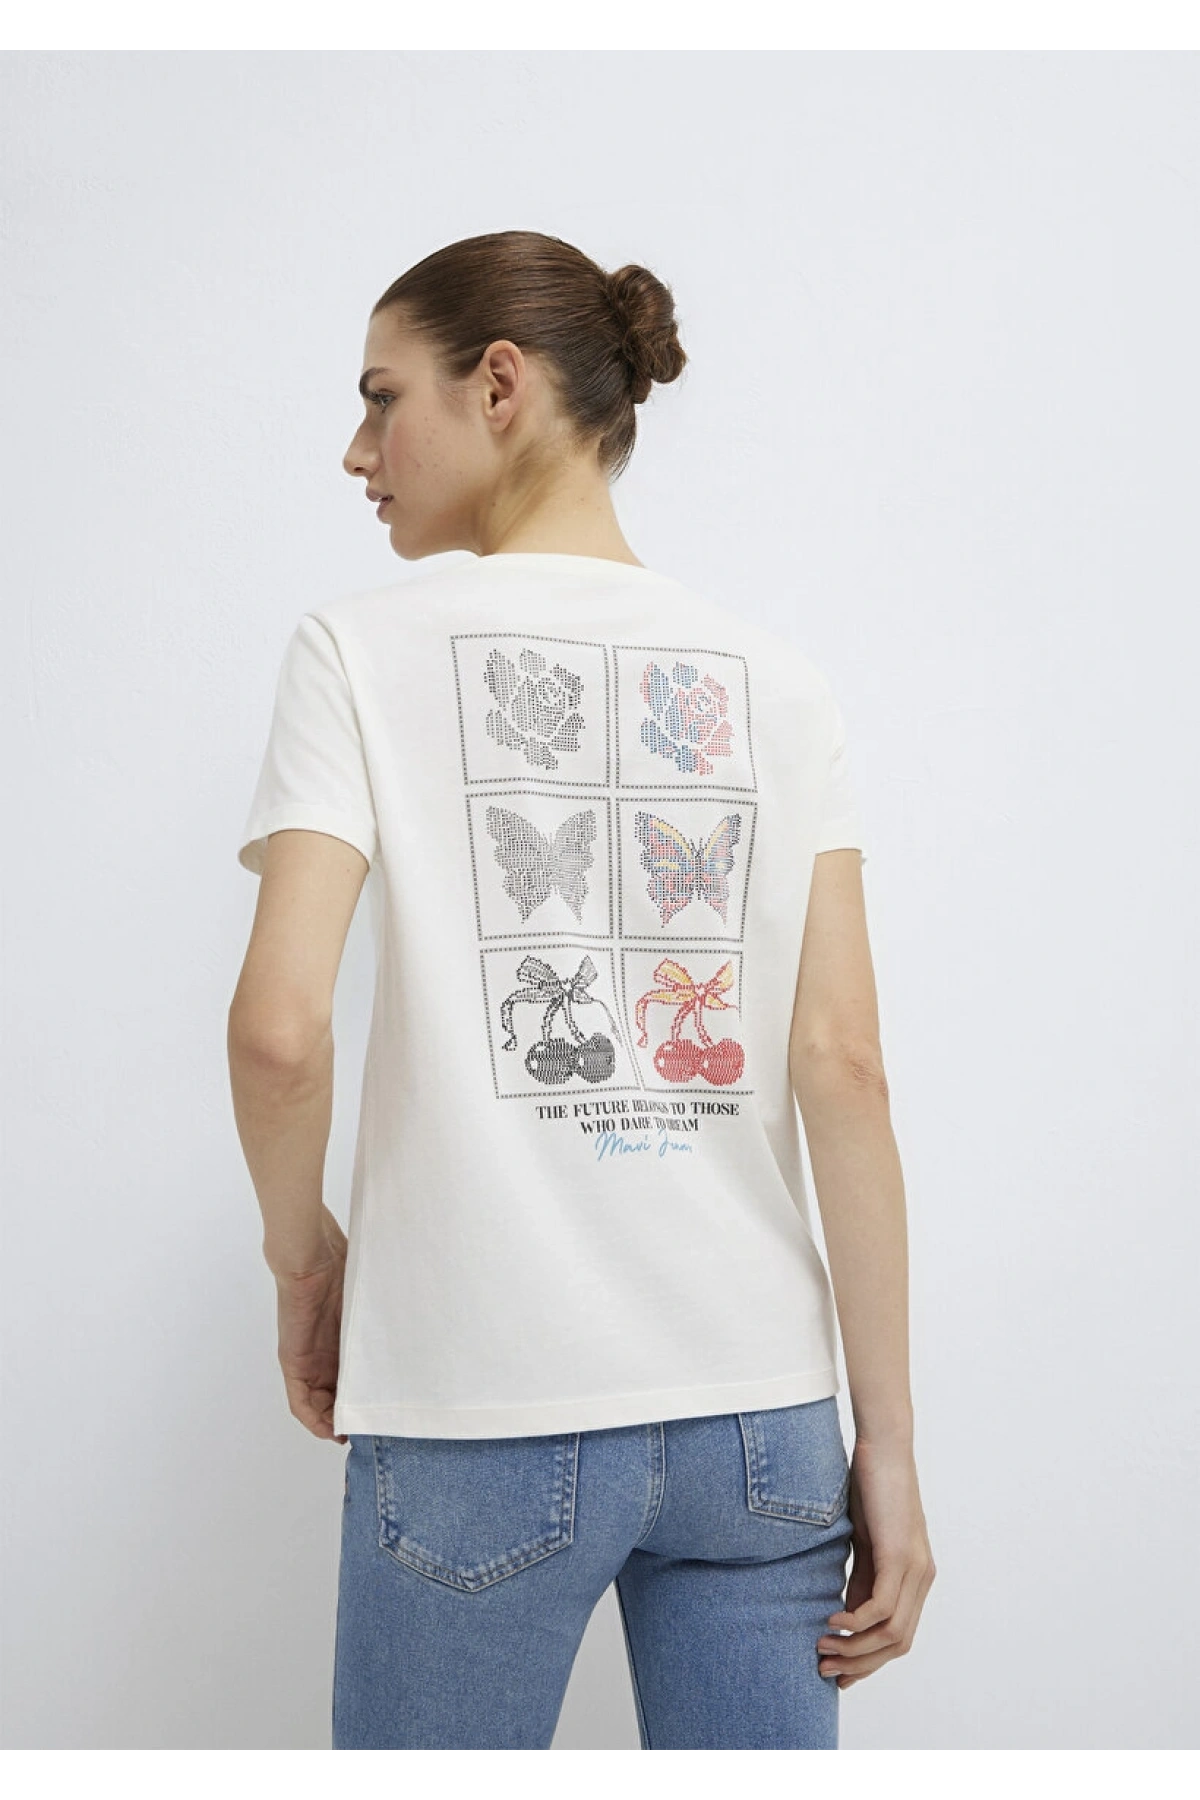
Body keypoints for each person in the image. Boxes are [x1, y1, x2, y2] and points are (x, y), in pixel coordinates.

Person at [227, 229, 935, 1753]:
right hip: (762, 1423)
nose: (357, 450)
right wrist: (885, 1444)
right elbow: (845, 1065)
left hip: (482, 1402)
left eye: (380, 397)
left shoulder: (356, 653)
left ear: (499, 385)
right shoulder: (780, 684)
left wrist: (304, 1261)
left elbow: (280, 1032)